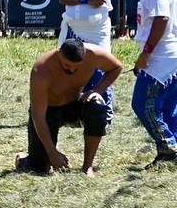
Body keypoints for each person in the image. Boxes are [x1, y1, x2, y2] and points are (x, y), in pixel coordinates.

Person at [15, 38, 123, 177]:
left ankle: (87, 166)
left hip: (74, 104)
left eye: (76, 66)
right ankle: (23, 158)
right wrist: (52, 153)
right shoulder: (41, 70)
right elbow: (38, 116)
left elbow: (117, 67)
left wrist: (97, 90)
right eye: (67, 65)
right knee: (40, 168)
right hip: (49, 111)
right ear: (59, 53)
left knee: (98, 110)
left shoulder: (94, 54)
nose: (71, 69)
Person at [115, 0, 177, 167]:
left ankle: (168, 148)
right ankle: (174, 147)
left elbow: (162, 19)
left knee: (143, 103)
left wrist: (147, 52)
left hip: (161, 57)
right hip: (168, 56)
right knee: (167, 107)